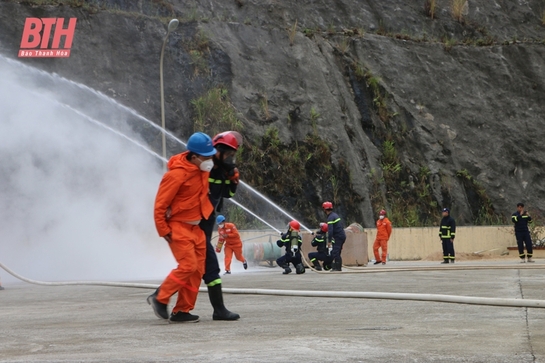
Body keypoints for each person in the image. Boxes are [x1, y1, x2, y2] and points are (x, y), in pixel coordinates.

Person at [148, 131, 242, 321]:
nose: (210, 160)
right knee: (194, 266)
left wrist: (232, 180)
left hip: (198, 225)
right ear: (195, 156)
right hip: (182, 226)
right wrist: (164, 228)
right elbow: (161, 204)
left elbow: (221, 194)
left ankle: (182, 310)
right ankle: (161, 297)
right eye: (207, 156)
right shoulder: (181, 173)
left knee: (197, 269)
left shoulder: (204, 170)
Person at [322, 201, 346, 271]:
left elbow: (330, 230)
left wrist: (329, 241)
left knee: (336, 252)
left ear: (325, 209)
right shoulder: (335, 215)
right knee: (337, 252)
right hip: (341, 235)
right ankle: (336, 267)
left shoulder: (330, 218)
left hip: (338, 236)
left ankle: (338, 268)